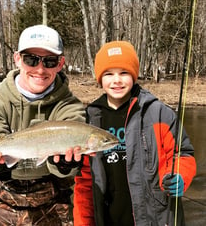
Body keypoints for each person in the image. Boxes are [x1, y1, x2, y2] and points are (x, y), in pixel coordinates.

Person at [73, 41, 196, 226]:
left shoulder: (159, 113)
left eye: (124, 73)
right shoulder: (90, 118)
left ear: (134, 75)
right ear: (99, 78)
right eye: (108, 74)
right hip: (108, 217)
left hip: (155, 218)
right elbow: (84, 181)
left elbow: (182, 154)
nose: (117, 80)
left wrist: (180, 176)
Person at [0, 24, 85, 226]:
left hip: (54, 199)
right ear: (17, 59)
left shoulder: (71, 106)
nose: (40, 69)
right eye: (31, 59)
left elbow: (65, 168)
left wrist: (65, 166)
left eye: (49, 61)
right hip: (3, 198)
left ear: (60, 64)